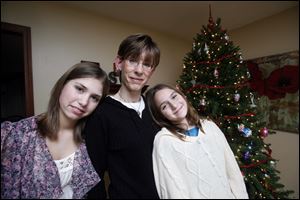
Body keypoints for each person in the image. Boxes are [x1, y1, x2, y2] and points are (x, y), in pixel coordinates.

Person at [1, 62, 110, 199]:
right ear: (62, 85)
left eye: (94, 98)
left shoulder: (91, 140)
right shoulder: (19, 134)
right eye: (80, 89)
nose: (84, 102)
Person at [84, 33, 160, 199]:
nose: (139, 70)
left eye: (147, 65)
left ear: (151, 71)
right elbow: (93, 178)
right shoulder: (101, 114)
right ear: (119, 63)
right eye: (133, 60)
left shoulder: (156, 109)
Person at [146, 83, 249, 199]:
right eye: (164, 106)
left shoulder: (210, 127)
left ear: (181, 95)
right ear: (160, 115)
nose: (174, 106)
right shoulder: (164, 142)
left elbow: (232, 171)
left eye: (174, 97)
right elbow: (173, 191)